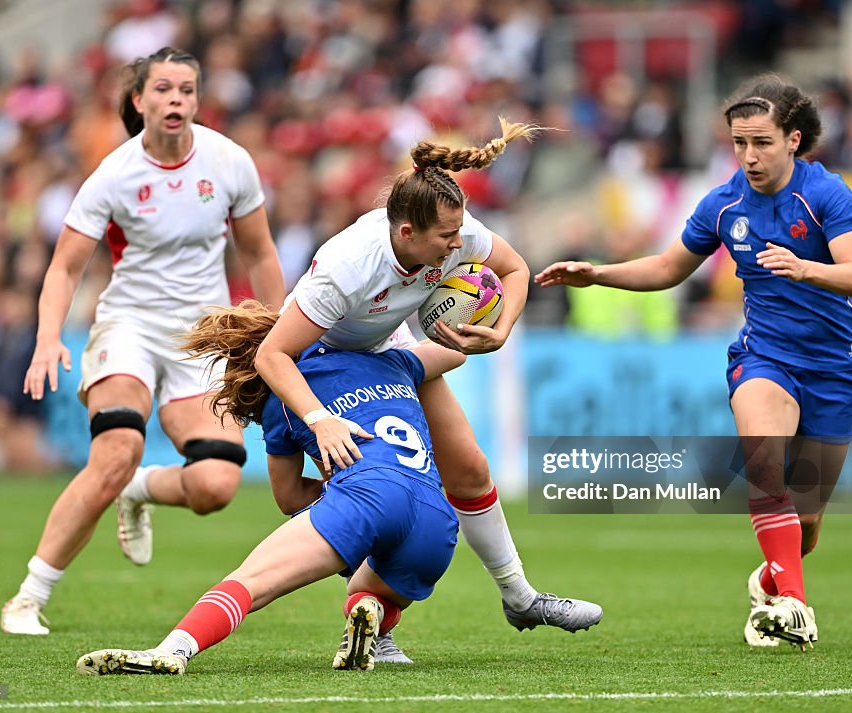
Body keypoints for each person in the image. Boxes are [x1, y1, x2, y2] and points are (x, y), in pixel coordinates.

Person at [536, 75, 852, 649]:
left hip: (836, 368)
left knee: (808, 523)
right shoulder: (724, 205)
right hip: (765, 356)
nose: (749, 156)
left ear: (793, 140)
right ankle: (793, 603)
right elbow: (668, 268)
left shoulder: (827, 196)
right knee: (764, 463)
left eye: (761, 143)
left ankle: (771, 577)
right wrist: (599, 274)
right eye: (739, 143)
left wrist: (805, 267)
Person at [252, 118, 603, 640]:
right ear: (406, 232)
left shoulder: (455, 234)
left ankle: (519, 598)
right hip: (322, 361)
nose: (459, 244)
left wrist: (502, 328)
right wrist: (319, 419)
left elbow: (516, 270)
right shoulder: (349, 265)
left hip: (388, 351)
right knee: (304, 498)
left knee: (468, 468)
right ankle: (373, 593)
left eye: (460, 231)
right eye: (448, 236)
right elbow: (273, 354)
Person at [0, 47, 285, 636]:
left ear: (198, 100)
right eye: (162, 89)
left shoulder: (229, 161)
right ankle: (27, 598)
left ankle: (138, 491)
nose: (174, 99)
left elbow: (258, 252)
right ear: (139, 101)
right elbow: (63, 269)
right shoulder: (114, 174)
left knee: (215, 485)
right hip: (128, 324)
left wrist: (275, 331)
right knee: (116, 448)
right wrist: (48, 337)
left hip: (201, 336)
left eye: (185, 89)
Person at [75, 301, 464, 674]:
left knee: (251, 582)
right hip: (437, 517)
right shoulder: (390, 359)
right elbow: (454, 354)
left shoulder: (283, 400)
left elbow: (289, 497)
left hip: (371, 493)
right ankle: (372, 610)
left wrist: (341, 493)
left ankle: (172, 650)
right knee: (368, 587)